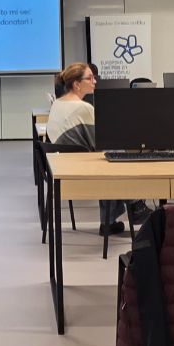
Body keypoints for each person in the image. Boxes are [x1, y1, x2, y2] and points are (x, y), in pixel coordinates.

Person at [46, 62, 148, 235]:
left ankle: (115, 217)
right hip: (78, 170)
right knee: (116, 154)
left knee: (110, 153)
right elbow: (105, 137)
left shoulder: (58, 103)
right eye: (90, 78)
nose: (95, 81)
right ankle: (135, 206)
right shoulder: (82, 107)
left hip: (61, 167)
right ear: (77, 84)